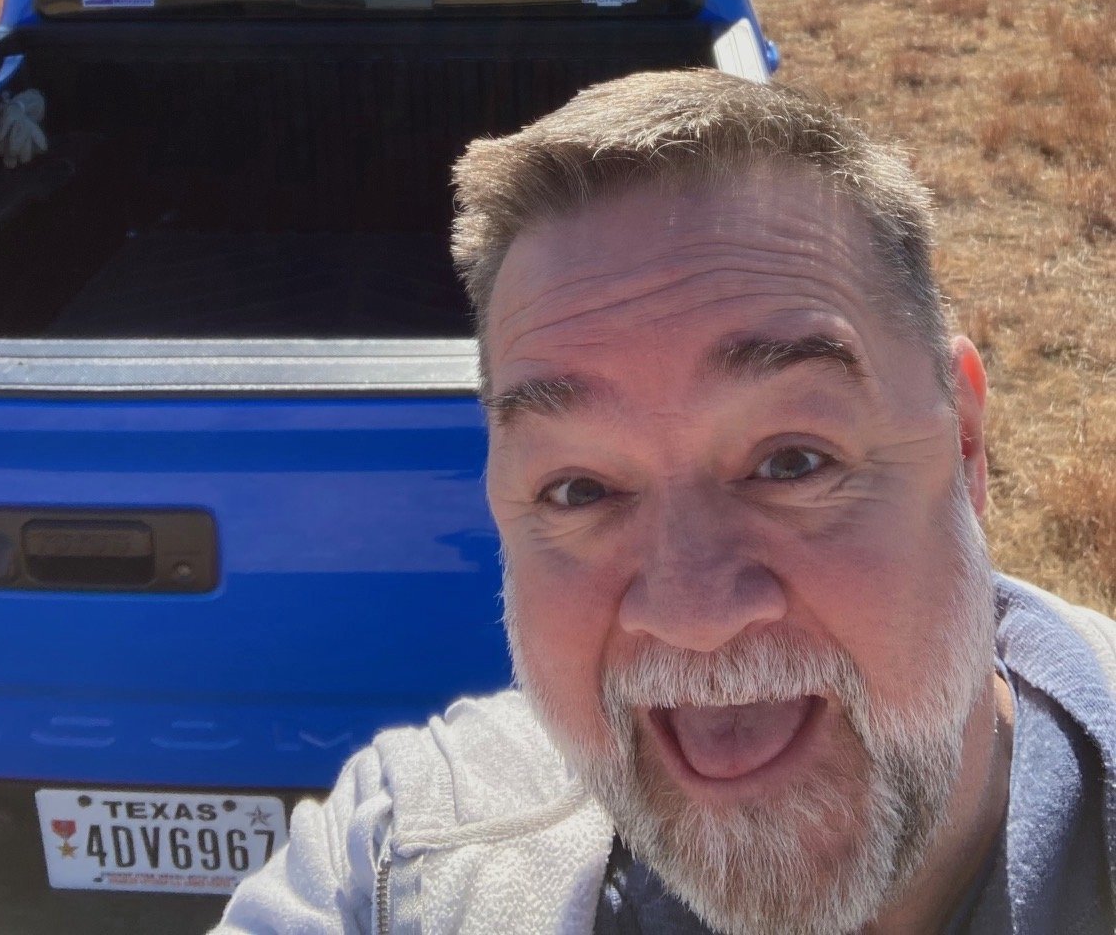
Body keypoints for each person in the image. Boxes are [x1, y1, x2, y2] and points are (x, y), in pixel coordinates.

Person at [214, 72, 1116, 935]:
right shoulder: (396, 868)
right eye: (580, 490)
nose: (693, 616)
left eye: (792, 462)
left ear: (964, 444)